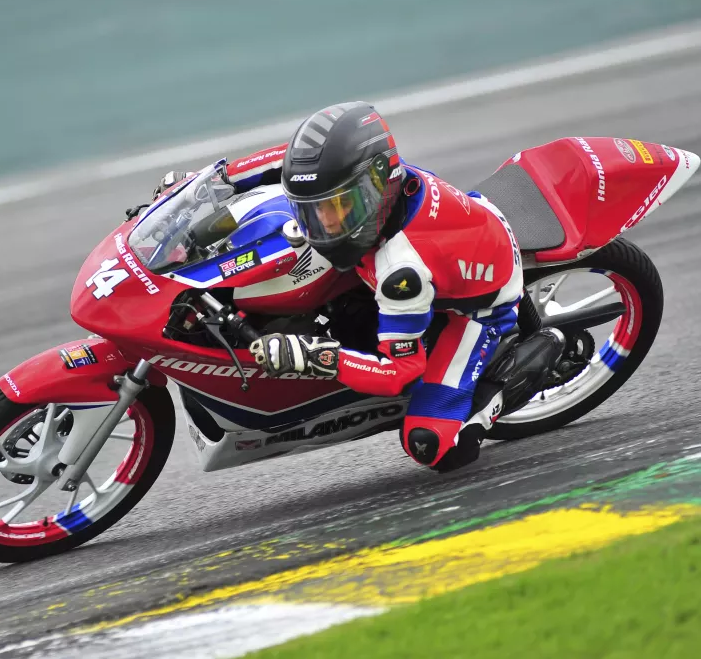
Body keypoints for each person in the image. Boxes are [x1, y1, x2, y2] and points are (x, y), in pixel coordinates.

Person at [156, 102, 563, 471]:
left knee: (432, 445)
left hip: (477, 306)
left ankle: (527, 363)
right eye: (313, 210)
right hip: (445, 241)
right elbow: (277, 164)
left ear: (377, 183)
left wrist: (314, 356)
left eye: (339, 208)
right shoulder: (359, 180)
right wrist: (199, 191)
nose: (324, 224)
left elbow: (399, 373)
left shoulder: (401, 272)